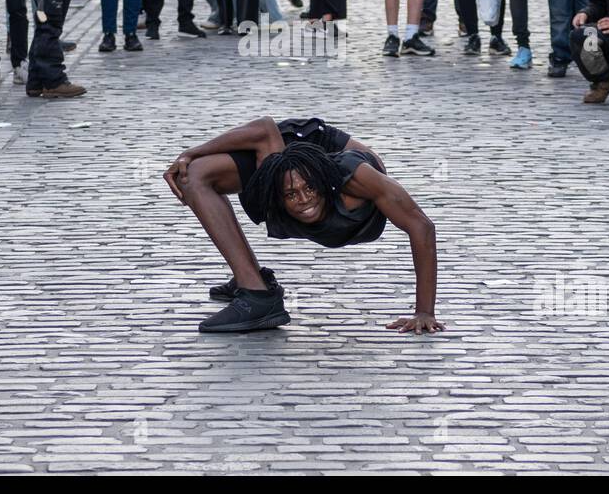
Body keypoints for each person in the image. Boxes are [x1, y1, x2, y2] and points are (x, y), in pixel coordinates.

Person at [163, 116, 441, 335]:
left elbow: (422, 226)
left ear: (323, 185)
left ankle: (254, 282)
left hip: (325, 149)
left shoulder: (356, 179)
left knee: (299, 177)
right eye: (291, 194)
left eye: (309, 190)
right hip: (287, 152)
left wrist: (424, 311)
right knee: (193, 175)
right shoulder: (275, 177)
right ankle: (255, 288)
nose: (304, 200)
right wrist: (190, 154)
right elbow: (264, 127)